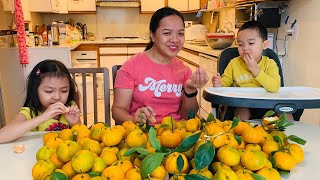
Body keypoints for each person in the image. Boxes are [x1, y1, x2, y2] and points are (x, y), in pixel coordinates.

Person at [112, 7, 209, 125]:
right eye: (167, 33)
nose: (175, 40)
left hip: (175, 136)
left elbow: (189, 116)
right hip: (142, 135)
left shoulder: (184, 71)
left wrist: (190, 89)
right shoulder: (130, 67)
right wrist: (134, 119)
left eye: (180, 34)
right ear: (152, 35)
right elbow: (117, 111)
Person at [212, 20, 281, 120]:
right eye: (240, 44)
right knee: (242, 113)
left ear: (264, 45)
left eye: (251, 43)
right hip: (241, 104)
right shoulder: (234, 64)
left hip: (266, 104)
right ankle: (245, 134)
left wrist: (256, 70)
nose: (245, 48)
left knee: (286, 114)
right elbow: (224, 86)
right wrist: (218, 84)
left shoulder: (270, 64)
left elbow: (275, 87)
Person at [0, 60, 81, 143]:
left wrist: (75, 123)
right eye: (49, 91)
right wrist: (43, 117)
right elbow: (1, 136)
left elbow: (82, 137)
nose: (57, 97)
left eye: (64, 91)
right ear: (35, 90)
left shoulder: (70, 106)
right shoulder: (30, 113)